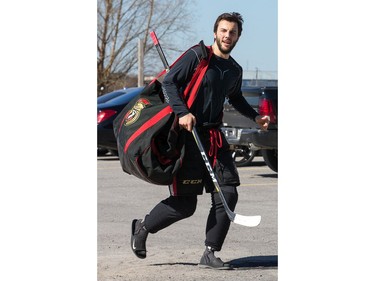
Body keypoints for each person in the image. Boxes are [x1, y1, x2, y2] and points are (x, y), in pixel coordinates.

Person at [130, 12, 270, 270]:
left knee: (227, 193)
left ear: (239, 36)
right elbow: (170, 82)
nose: (228, 35)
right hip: (188, 138)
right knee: (185, 205)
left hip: (215, 139)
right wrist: (182, 112)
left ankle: (210, 251)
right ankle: (143, 227)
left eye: (233, 32)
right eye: (224, 30)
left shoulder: (234, 70)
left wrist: (255, 117)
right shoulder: (197, 56)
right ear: (215, 32)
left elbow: (235, 97)